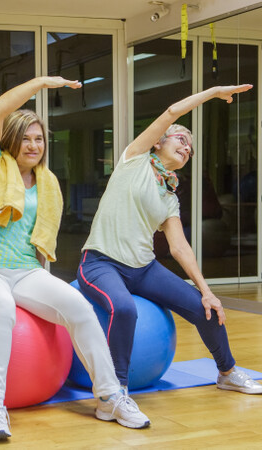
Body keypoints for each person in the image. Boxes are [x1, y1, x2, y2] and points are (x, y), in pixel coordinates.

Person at [0, 76, 150, 442]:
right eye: (25, 137)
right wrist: (42, 82)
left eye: (39, 138)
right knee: (1, 303)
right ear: (11, 139)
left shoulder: (46, 183)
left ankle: (110, 395)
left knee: (79, 307)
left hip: (25, 270)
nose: (33, 144)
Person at [77, 84, 262, 397]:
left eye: (190, 147)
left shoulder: (168, 194)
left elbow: (179, 247)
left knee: (208, 309)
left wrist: (207, 292)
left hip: (143, 269)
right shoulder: (133, 160)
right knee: (124, 309)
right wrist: (213, 92)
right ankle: (116, 391)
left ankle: (227, 372)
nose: (187, 148)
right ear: (159, 141)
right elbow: (172, 112)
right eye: (181, 139)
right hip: (100, 262)